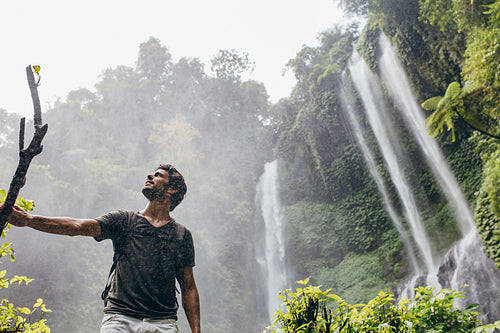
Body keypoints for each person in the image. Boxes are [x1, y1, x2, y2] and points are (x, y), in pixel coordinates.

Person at [1, 164, 200, 333]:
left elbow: (188, 287)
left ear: (172, 189)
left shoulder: (181, 235)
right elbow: (77, 226)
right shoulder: (124, 221)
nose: (150, 176)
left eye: (158, 175)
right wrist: (29, 220)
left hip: (163, 323)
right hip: (120, 320)